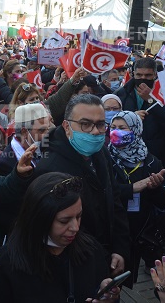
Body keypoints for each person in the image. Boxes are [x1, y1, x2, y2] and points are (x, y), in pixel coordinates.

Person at [0, 173, 118, 302]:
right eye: (64, 221)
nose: (75, 227)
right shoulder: (4, 267)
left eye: (79, 216)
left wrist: (107, 297)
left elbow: (100, 287)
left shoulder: (91, 250)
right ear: (39, 219)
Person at [35, 94, 130, 277]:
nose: (95, 131)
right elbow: (54, 230)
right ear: (67, 127)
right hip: (75, 267)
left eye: (101, 124)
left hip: (107, 257)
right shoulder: (50, 169)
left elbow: (115, 201)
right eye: (85, 124)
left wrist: (120, 248)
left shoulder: (101, 152)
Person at [108, 111, 165, 281]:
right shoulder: (104, 158)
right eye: (113, 127)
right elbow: (102, 192)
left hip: (140, 229)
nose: (115, 132)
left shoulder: (151, 161)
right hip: (112, 228)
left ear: (135, 130)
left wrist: (155, 188)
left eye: (122, 128)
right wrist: (131, 189)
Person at [115, 58, 165, 161]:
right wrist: (131, 117)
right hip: (127, 151)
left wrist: (151, 100)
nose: (143, 78)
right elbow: (112, 121)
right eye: (139, 75)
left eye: (148, 75)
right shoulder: (121, 94)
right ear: (133, 74)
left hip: (156, 153)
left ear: (155, 75)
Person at [0, 103, 49, 176]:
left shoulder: (48, 148)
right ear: (24, 132)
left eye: (48, 129)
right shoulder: (6, 163)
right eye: (42, 131)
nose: (47, 135)